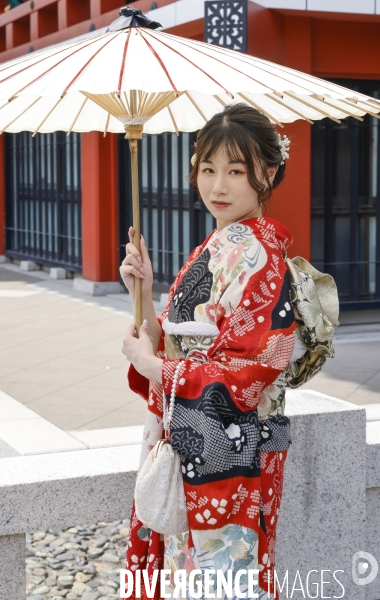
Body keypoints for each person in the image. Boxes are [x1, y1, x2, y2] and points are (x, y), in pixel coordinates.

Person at [120, 103, 302, 600]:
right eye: (207, 169)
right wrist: (146, 293)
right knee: (186, 577)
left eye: (235, 171)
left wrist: (155, 366)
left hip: (233, 453)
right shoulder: (216, 247)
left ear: (267, 172)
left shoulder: (263, 260)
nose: (217, 186)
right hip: (193, 442)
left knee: (221, 584)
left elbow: (249, 373)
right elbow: (179, 342)